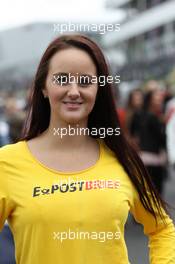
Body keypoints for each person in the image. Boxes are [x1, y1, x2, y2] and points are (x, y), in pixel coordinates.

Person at [0, 34, 175, 264]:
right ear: (43, 87)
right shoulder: (8, 163)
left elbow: (162, 229)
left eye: (85, 81)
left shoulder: (122, 157)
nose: (74, 91)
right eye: (62, 79)